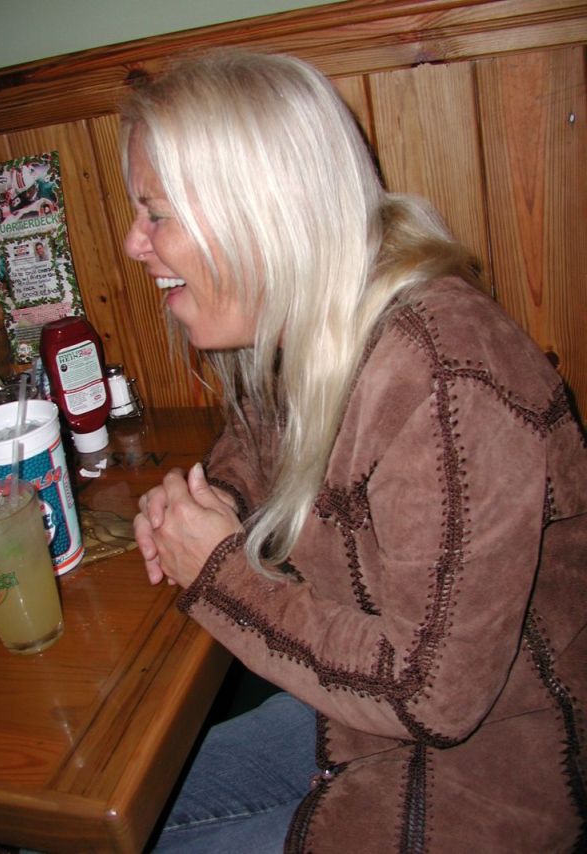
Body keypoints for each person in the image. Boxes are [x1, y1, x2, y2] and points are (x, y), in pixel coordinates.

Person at [123, 50, 587, 853]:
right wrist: (218, 500)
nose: (134, 244)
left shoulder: (442, 377)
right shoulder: (323, 313)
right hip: (358, 724)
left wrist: (219, 572)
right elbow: (260, 438)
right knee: (129, 807)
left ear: (263, 214)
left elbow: (433, 694)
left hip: (505, 766)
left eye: (155, 213)